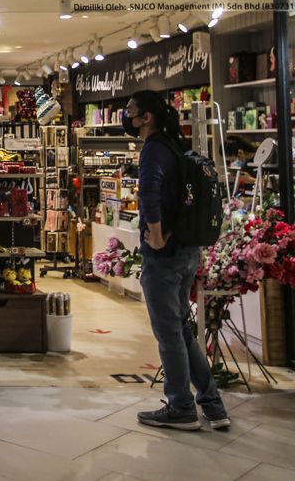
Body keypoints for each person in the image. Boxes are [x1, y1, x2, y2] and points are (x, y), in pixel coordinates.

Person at [122, 90, 230, 431]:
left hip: (165, 255)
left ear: (146, 117)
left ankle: (181, 406)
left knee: (169, 334)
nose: (126, 115)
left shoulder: (153, 149)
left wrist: (153, 233)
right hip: (186, 251)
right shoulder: (174, 145)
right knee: (182, 331)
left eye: (130, 110)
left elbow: (149, 193)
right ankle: (213, 406)